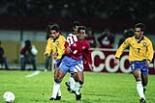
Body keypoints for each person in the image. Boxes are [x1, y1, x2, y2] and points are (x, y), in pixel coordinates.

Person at [115, 23, 154, 103]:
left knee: (145, 81)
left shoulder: (147, 42)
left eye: (138, 31)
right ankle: (142, 98)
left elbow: (151, 52)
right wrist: (117, 57)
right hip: (134, 62)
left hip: (144, 62)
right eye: (135, 31)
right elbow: (121, 48)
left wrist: (149, 60)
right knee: (138, 78)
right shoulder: (129, 40)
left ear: (142, 32)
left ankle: (143, 88)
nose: (136, 33)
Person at [50, 26, 92, 101]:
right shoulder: (71, 38)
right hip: (66, 61)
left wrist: (89, 63)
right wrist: (66, 48)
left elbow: (87, 53)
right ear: (78, 33)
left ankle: (75, 90)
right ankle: (54, 97)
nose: (83, 35)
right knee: (57, 79)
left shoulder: (86, 44)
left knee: (80, 81)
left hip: (76, 63)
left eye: (84, 33)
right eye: (81, 33)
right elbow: (66, 44)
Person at [46, 24, 66, 100]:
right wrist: (47, 52)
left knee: (57, 78)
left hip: (63, 60)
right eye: (51, 33)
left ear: (58, 32)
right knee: (56, 78)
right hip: (56, 60)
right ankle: (58, 95)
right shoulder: (50, 39)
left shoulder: (62, 39)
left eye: (54, 33)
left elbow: (63, 50)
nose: (52, 35)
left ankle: (53, 96)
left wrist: (58, 57)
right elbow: (49, 47)